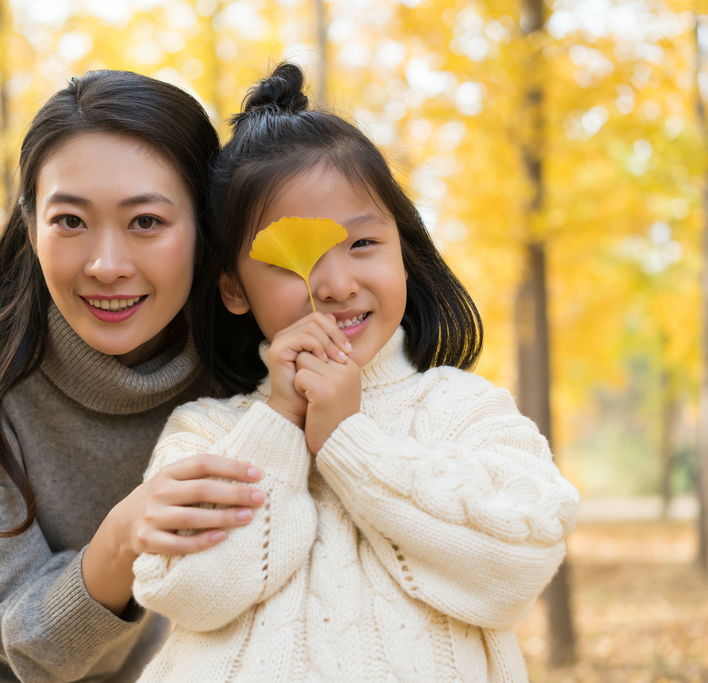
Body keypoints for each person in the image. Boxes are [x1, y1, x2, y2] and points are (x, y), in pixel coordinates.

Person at [131, 63, 580, 682]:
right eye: (295, 262)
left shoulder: (461, 409)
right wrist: (280, 423)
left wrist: (349, 442)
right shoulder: (206, 432)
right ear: (233, 288)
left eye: (363, 244)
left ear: (403, 251)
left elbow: (522, 558)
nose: (337, 285)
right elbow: (186, 589)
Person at [0, 70, 268, 683]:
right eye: (70, 221)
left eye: (146, 221)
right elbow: (19, 634)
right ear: (31, 224)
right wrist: (124, 534)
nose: (106, 265)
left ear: (205, 229)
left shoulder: (250, 353)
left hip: (148, 661)